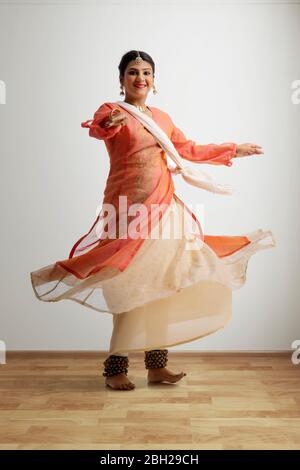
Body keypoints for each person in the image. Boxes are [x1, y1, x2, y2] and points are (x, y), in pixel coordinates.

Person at [30, 50, 276, 391]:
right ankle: (115, 366)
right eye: (132, 72)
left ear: (154, 80)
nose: (140, 78)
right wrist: (108, 124)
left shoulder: (162, 117)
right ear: (121, 80)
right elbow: (99, 129)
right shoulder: (112, 111)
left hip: (164, 207)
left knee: (163, 282)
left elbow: (188, 149)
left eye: (146, 72)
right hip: (127, 210)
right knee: (127, 284)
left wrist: (233, 149)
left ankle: (156, 367)